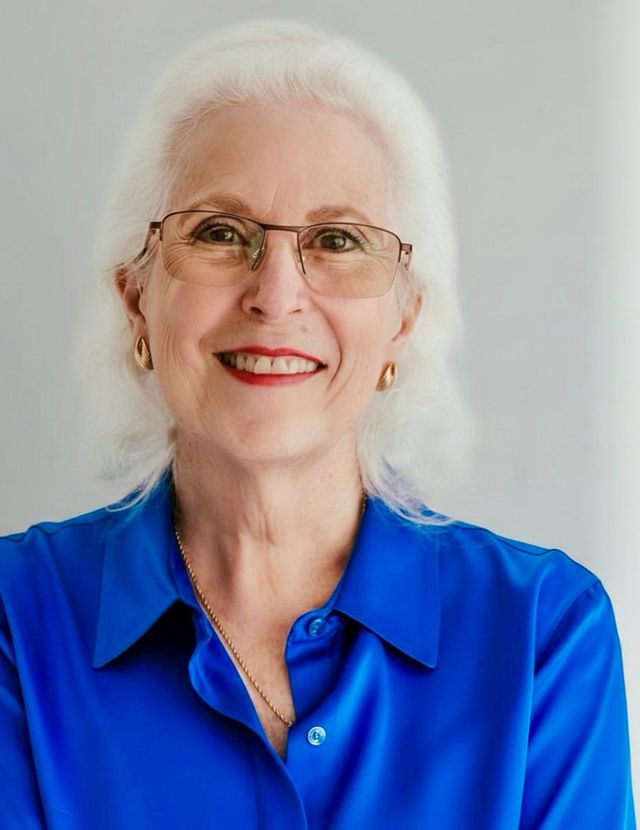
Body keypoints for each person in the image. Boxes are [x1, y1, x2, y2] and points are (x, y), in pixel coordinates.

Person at [0, 19, 635, 830]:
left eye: (337, 240)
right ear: (135, 300)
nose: (275, 296)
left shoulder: (544, 633)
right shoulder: (14, 618)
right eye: (220, 233)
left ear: (402, 322)